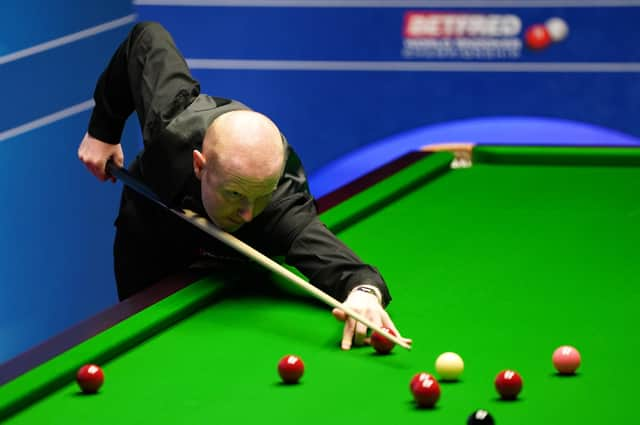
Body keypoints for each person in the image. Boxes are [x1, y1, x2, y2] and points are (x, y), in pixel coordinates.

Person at [77, 21, 411, 350]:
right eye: (235, 194)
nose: (248, 213)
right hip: (151, 230)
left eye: (260, 196)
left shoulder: (281, 207)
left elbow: (350, 271)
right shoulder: (172, 128)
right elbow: (146, 39)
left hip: (232, 267)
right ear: (199, 165)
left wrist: (364, 293)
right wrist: (103, 131)